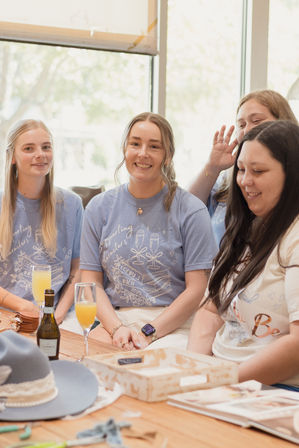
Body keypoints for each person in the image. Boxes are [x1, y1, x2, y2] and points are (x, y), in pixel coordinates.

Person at [80, 112, 217, 350]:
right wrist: (117, 328)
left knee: (145, 370)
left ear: (168, 155)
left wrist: (148, 332)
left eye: (154, 146)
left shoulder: (191, 210)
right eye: (135, 144)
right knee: (81, 362)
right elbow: (90, 285)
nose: (143, 153)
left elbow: (196, 290)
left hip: (172, 324)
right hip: (115, 321)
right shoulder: (99, 207)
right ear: (125, 149)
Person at [188, 120, 299, 388]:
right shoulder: (244, 228)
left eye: (258, 171)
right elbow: (210, 310)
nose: (245, 181)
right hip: (220, 377)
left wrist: (220, 380)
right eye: (240, 170)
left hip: (272, 389)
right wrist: (191, 369)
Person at [0, 119, 83, 324]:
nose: (40, 154)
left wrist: (58, 314)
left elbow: (79, 268)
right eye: (29, 148)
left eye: (46, 147)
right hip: (6, 313)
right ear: (12, 157)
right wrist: (21, 306)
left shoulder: (72, 204)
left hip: (57, 314)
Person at [189, 90, 298, 246]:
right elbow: (185, 211)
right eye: (241, 125)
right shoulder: (230, 178)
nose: (247, 130)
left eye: (256, 121)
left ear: (282, 123)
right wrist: (212, 168)